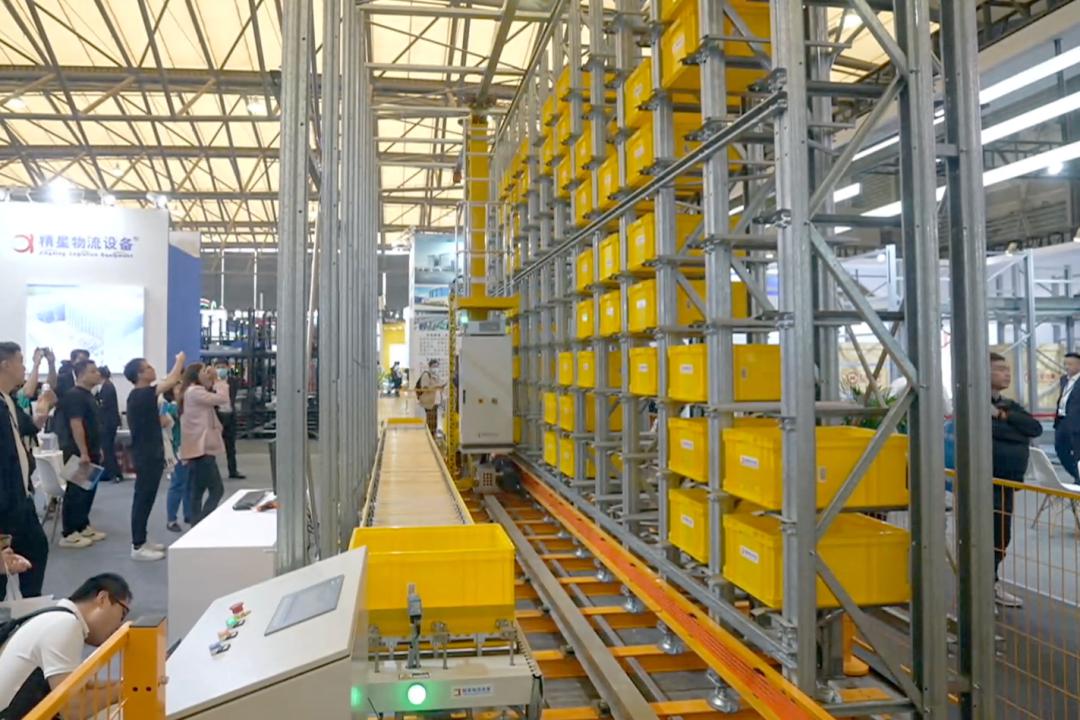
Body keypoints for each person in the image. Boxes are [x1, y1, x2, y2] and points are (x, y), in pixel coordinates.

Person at [0, 573, 131, 718]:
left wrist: (121, 685)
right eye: (122, 614)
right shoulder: (65, 624)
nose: (119, 626)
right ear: (103, 599)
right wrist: (124, 690)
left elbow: (77, 685)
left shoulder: (53, 618)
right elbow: (72, 709)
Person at [990, 352, 1043, 608]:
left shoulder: (1008, 405)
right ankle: (984, 585)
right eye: (1000, 369)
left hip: (1008, 482)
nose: (1007, 373)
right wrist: (1016, 432)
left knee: (1001, 536)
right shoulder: (974, 404)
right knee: (986, 534)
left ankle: (991, 582)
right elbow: (988, 431)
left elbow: (1033, 428)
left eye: (1008, 369)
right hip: (985, 481)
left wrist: (1003, 417)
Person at [122, 353, 185, 561]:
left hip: (150, 452)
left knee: (146, 498)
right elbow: (172, 380)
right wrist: (180, 361)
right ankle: (138, 545)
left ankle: (142, 539)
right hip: (146, 454)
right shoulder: (141, 394)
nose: (152, 369)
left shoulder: (142, 395)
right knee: (143, 498)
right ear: (140, 374)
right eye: (148, 367)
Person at [0, 342, 49, 601]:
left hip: (21, 497)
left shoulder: (8, 400)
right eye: (21, 361)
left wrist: (42, 411)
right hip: (6, 503)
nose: (24, 367)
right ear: (5, 365)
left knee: (36, 550)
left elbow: (29, 425)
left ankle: (31, 607)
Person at [56, 359, 106, 549]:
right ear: (82, 374)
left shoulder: (89, 395)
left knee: (87, 490)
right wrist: (83, 452)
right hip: (78, 451)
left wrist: (97, 449)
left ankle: (82, 525)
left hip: (91, 449)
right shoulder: (74, 396)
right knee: (76, 492)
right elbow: (76, 424)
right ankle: (69, 533)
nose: (97, 374)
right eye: (93, 371)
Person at [179, 363, 230, 524]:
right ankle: (202, 522)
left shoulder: (191, 391)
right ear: (195, 375)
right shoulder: (195, 392)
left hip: (197, 448)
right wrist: (218, 380)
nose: (207, 374)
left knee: (198, 490)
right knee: (217, 490)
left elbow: (211, 391)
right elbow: (222, 399)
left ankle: (195, 522)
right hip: (202, 449)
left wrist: (212, 380)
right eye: (203, 371)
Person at [161, 389, 191, 533]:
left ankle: (189, 514)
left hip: (189, 447)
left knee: (189, 482)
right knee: (178, 483)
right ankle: (171, 519)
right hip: (177, 448)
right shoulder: (169, 406)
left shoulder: (184, 404)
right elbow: (165, 422)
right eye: (178, 386)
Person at [212, 360, 244, 480]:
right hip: (217, 416)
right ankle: (211, 472)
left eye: (223, 367)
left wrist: (234, 366)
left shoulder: (232, 381)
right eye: (218, 367)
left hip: (230, 415)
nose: (221, 369)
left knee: (231, 446)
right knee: (213, 445)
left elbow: (239, 375)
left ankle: (233, 470)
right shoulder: (211, 383)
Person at [1053, 351, 1080, 480]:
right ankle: (1077, 476)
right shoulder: (1064, 379)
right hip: (1062, 421)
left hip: (1077, 424)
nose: (1066, 367)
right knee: (1060, 450)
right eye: (1065, 364)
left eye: (1070, 364)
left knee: (1078, 454)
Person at [96, 366, 121, 484]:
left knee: (108, 449)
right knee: (108, 448)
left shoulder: (107, 388)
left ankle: (114, 474)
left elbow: (103, 406)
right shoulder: (106, 386)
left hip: (108, 423)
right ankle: (114, 473)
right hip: (109, 422)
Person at [415, 358, 446, 437]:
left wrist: (441, 387)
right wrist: (437, 386)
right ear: (430, 366)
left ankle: (433, 435)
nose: (436, 368)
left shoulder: (436, 376)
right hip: (429, 402)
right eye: (434, 366)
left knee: (434, 421)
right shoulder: (426, 375)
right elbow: (425, 388)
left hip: (435, 402)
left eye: (437, 366)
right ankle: (430, 436)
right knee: (431, 421)